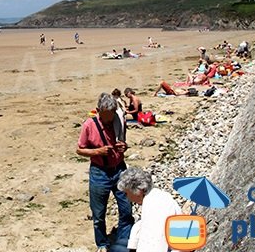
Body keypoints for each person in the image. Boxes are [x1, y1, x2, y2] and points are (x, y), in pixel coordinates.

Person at [77, 93, 133, 252]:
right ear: (98, 111)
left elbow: (122, 140)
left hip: (119, 169)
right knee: (98, 213)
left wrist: (124, 146)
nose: (109, 121)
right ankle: (102, 243)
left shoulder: (119, 120)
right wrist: (98, 152)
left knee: (126, 209)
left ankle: (124, 242)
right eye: (106, 117)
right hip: (99, 173)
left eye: (112, 116)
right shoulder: (89, 125)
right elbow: (79, 150)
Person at [112, 166, 182, 252]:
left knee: (117, 249)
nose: (127, 198)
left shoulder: (153, 206)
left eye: (127, 193)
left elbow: (153, 243)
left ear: (138, 191)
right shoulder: (157, 195)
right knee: (119, 244)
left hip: (170, 247)